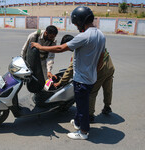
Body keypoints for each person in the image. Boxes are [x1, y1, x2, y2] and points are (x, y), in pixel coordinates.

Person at [31, 6, 106, 140]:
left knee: (82, 106)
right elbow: (101, 57)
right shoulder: (101, 35)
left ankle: (83, 132)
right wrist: (93, 71)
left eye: (77, 23)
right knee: (80, 102)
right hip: (90, 77)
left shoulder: (84, 36)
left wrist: (40, 46)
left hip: (82, 79)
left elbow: (61, 48)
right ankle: (78, 123)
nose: (77, 27)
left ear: (82, 21)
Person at [54, 34, 115, 123]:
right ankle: (107, 107)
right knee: (108, 89)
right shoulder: (88, 42)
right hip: (110, 67)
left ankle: (90, 115)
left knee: (92, 92)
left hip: (100, 70)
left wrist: (61, 82)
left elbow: (71, 69)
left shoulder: (77, 51)